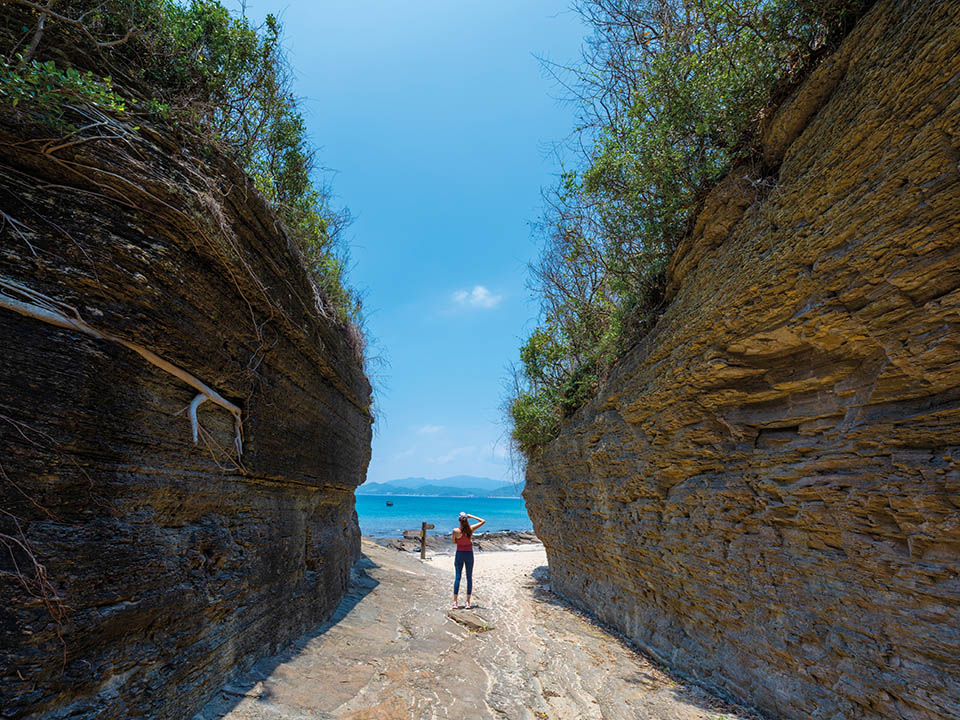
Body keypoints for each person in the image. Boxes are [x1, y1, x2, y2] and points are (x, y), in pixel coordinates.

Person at [451, 511, 485, 609]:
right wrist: (471, 516)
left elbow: (454, 542)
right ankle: (468, 602)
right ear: (467, 519)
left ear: (459, 520)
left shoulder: (455, 531)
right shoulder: (470, 529)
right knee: (469, 577)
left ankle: (455, 602)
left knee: (458, 577)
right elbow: (483, 521)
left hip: (459, 554)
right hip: (469, 554)